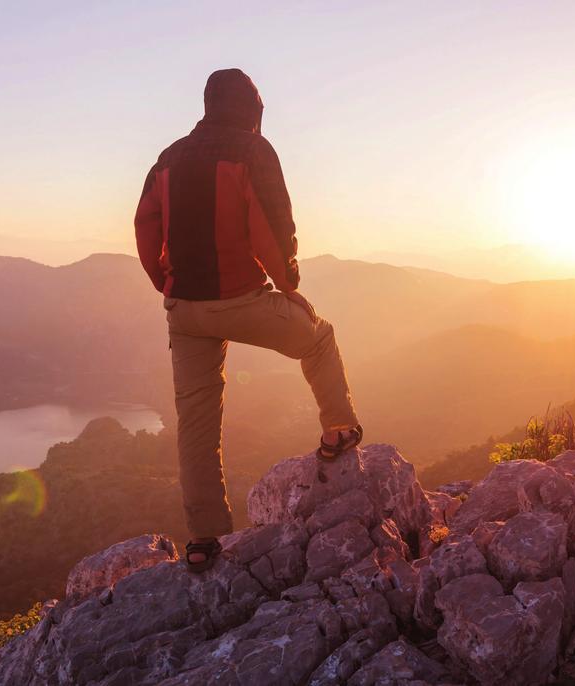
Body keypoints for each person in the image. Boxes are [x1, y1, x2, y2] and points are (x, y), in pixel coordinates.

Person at [134, 68, 362, 573]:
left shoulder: (167, 158)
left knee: (196, 422)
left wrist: (165, 285)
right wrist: (290, 287)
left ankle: (204, 538)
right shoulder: (252, 151)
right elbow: (273, 225)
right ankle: (338, 431)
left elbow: (146, 226)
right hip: (240, 298)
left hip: (184, 310)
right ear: (252, 109)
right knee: (319, 338)